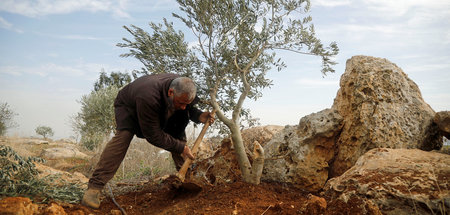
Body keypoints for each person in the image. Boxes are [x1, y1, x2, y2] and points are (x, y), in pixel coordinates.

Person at [81, 73, 214, 209]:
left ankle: (185, 176)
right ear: (170, 92)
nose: (184, 106)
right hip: (129, 107)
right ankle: (94, 188)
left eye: (187, 103)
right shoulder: (148, 97)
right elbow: (153, 135)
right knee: (123, 137)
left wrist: (198, 115)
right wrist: (182, 147)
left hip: (159, 104)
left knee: (178, 124)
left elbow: (187, 106)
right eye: (181, 103)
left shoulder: (183, 88)